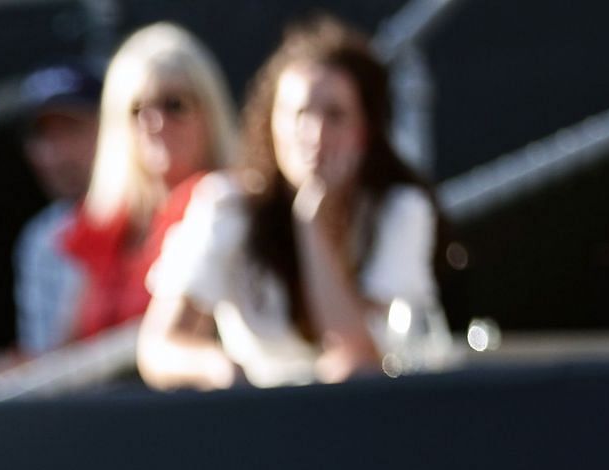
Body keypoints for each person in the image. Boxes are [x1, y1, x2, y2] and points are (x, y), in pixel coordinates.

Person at [138, 16, 442, 389]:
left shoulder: (400, 210)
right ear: (271, 125)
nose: (315, 135)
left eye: (335, 115)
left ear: (364, 131)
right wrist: (220, 369)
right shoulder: (226, 206)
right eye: (299, 114)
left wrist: (310, 222)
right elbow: (158, 347)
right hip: (259, 425)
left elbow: (356, 358)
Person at [57, 22, 236, 343]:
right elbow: (69, 347)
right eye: (137, 109)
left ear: (210, 111)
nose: (154, 123)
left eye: (174, 105)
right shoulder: (107, 225)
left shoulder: (230, 206)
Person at [0, 61, 103, 372]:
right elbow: (48, 363)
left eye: (71, 129)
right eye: (43, 135)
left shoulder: (154, 213)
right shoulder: (40, 238)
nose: (54, 154)